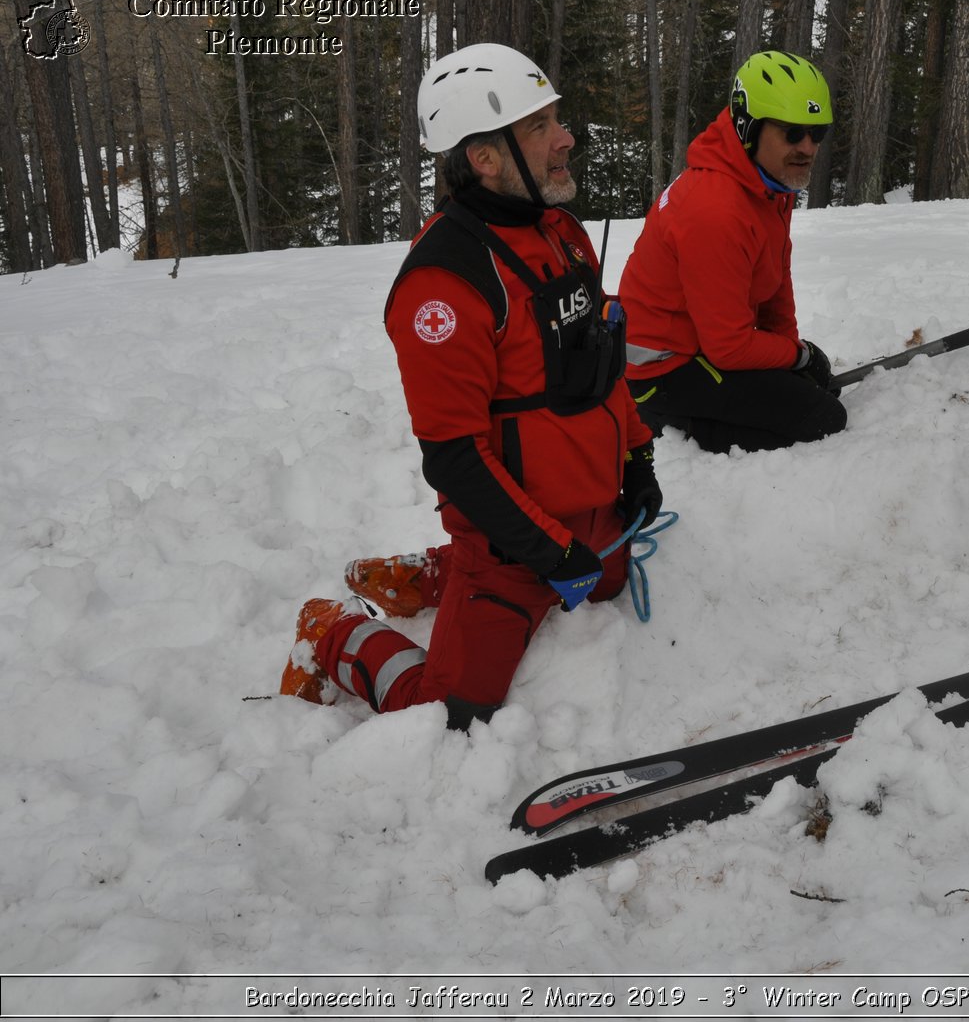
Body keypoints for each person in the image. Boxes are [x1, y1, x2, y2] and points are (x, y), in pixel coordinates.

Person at [279, 43, 662, 729]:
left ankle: (431, 573)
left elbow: (601, 366)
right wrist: (546, 550)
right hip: (513, 547)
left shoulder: (563, 233)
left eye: (556, 119)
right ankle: (334, 630)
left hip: (593, 521)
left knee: (604, 586)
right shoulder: (444, 285)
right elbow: (454, 455)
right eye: (540, 126)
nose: (566, 138)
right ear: (484, 158)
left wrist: (638, 458)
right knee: (452, 711)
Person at [618, 50, 847, 453]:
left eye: (818, 133)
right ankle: (662, 421)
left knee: (814, 395)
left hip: (704, 344)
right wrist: (800, 355)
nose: (808, 147)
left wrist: (792, 357)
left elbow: (777, 274)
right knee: (824, 418)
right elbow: (730, 346)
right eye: (793, 132)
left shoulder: (770, 182)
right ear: (748, 127)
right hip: (663, 369)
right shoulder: (715, 210)